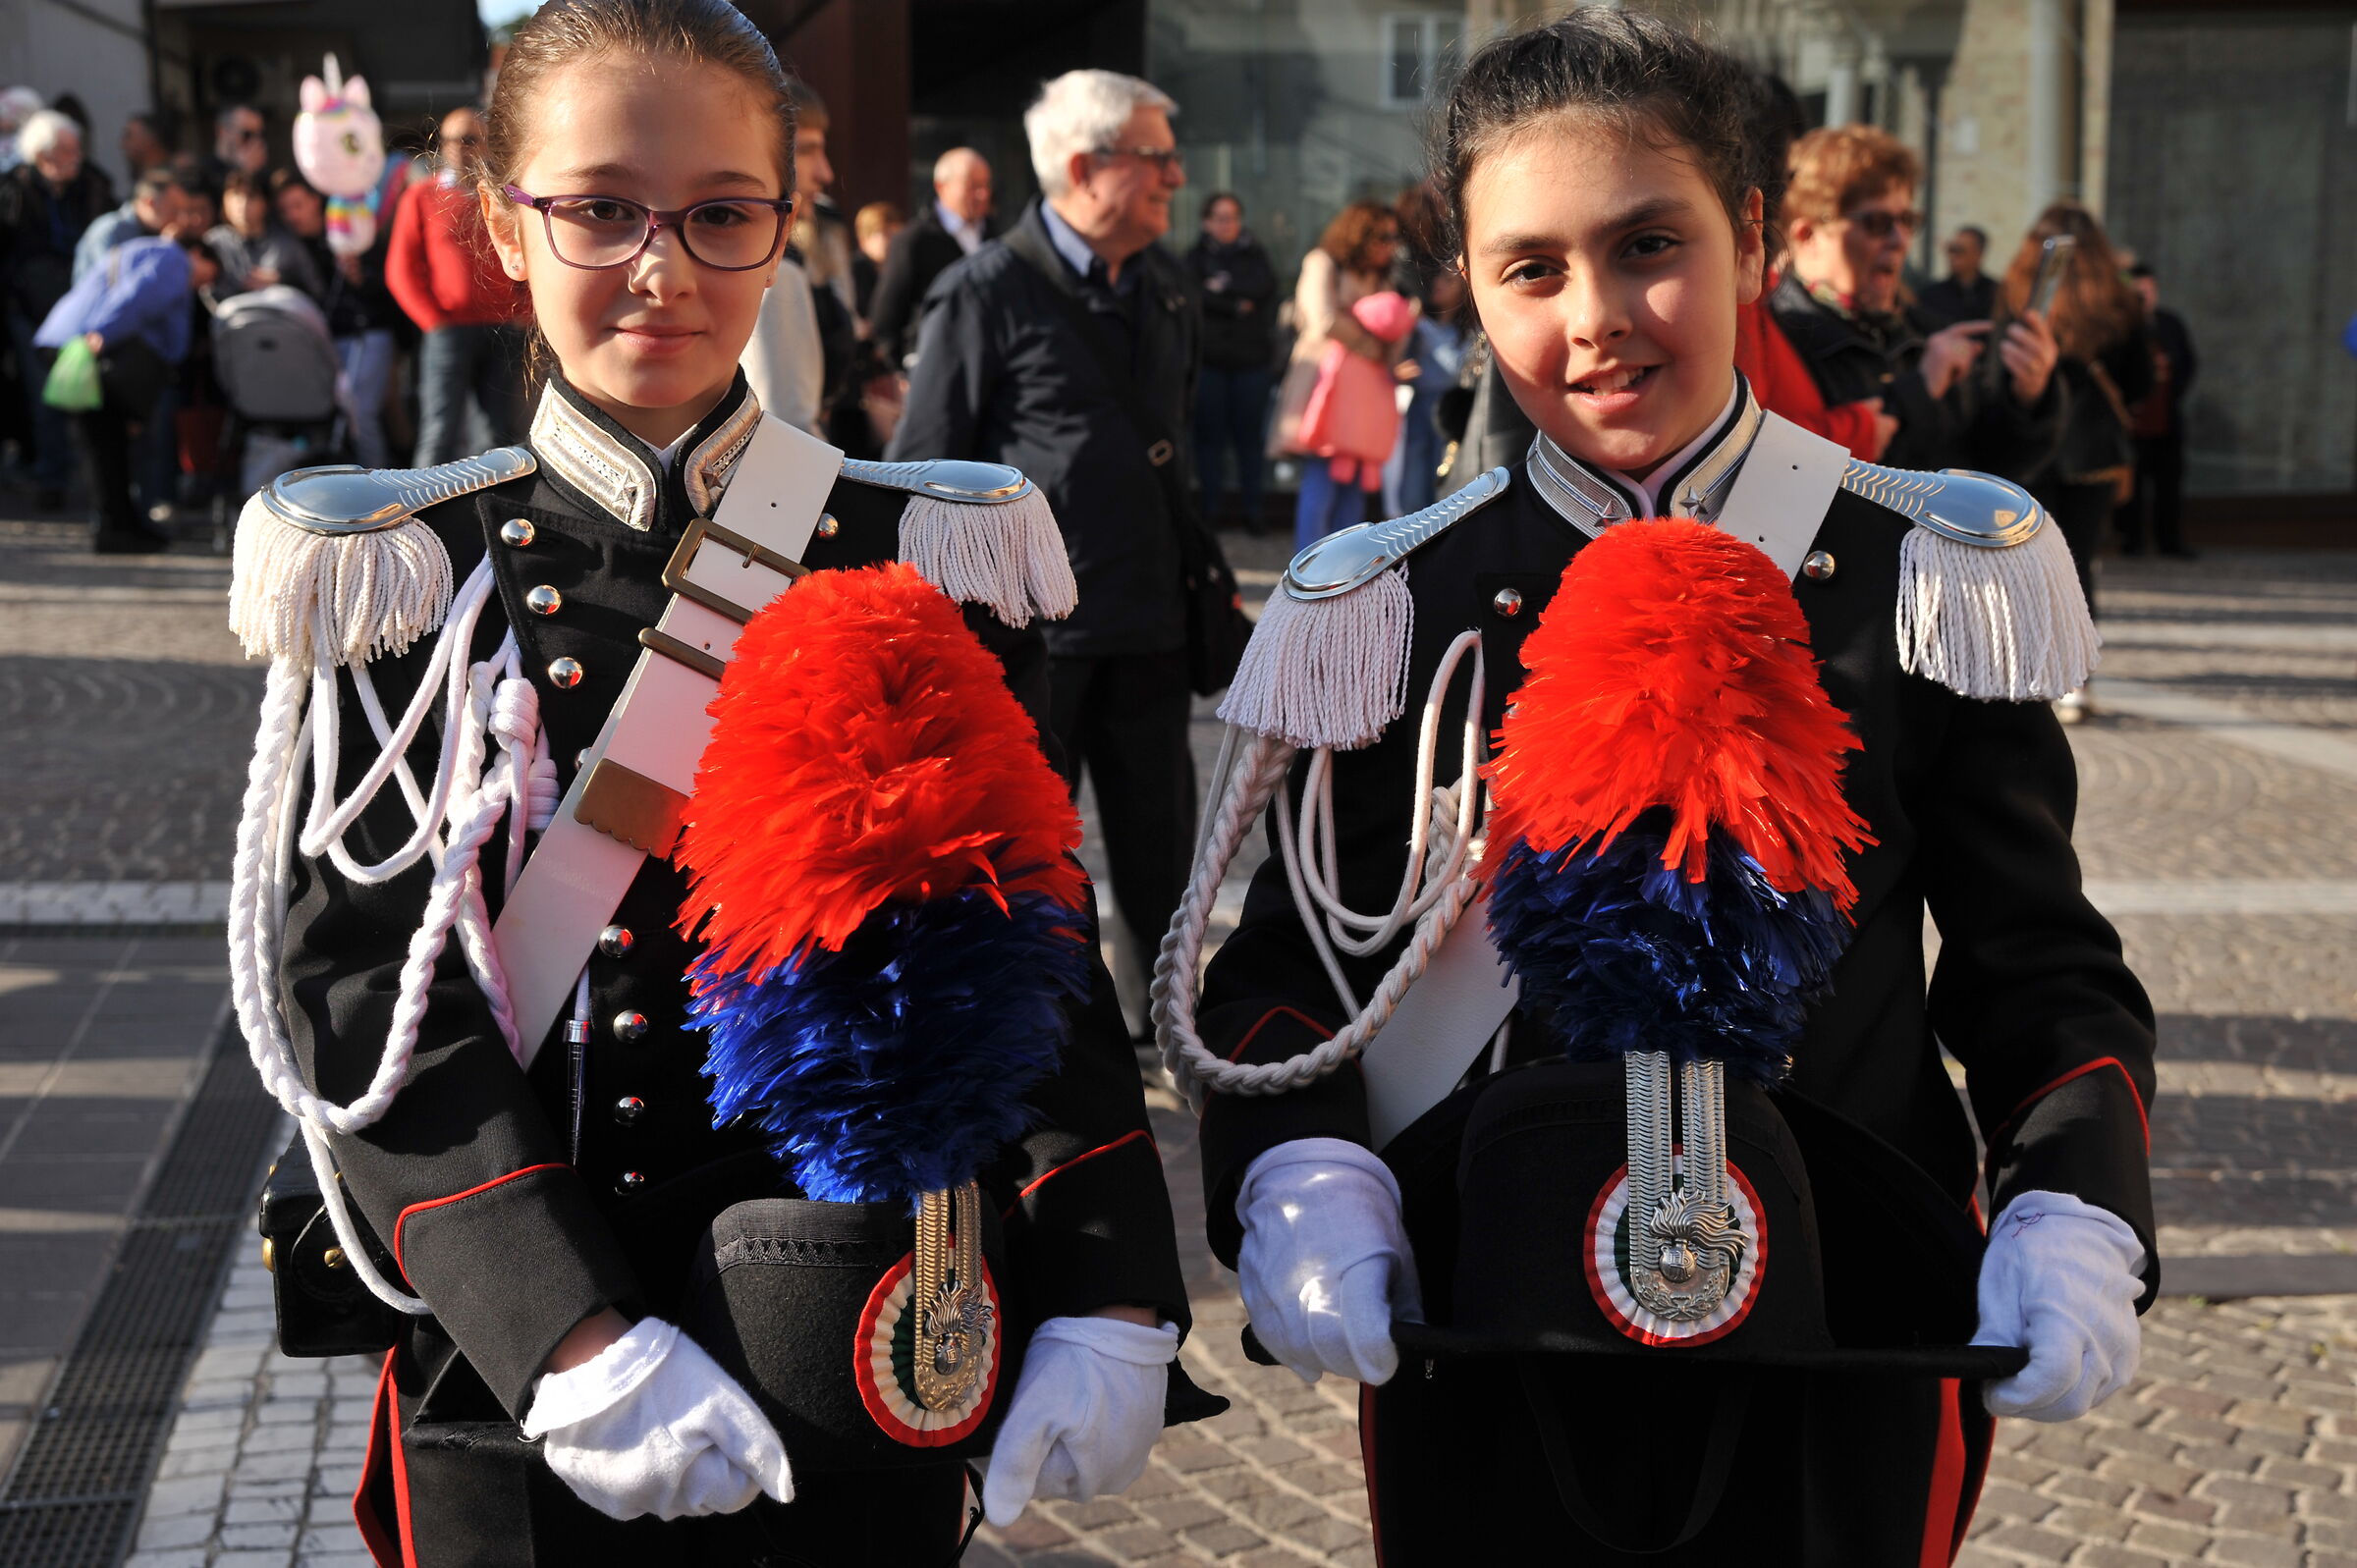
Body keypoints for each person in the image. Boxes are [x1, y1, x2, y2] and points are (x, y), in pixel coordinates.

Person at [1159, 12, 2154, 1563]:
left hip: (1853, 1309)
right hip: (1491, 1313)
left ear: (1751, 235)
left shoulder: (1913, 570)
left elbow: (2036, 959)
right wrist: (1301, 1172)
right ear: (1469, 287)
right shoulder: (1393, 601)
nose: (1601, 318)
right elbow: (1292, 968)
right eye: (1532, 269)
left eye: (1648, 247)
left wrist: (2072, 1197)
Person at [229, 1, 1197, 1559]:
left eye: (719, 215)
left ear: (783, 224)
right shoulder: (417, 572)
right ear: (503, 221)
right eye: (602, 209)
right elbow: (363, 997)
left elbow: (1021, 936)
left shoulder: (914, 543)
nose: (663, 267)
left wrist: (1107, 1273)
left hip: (864, 1318)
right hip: (540, 1375)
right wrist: (569, 1332)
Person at [892, 69, 1200, 1033]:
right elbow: (923, 477)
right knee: (1017, 859)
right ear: (1084, 165)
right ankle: (1015, 1040)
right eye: (1156, 157)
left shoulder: (1166, 290)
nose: (1176, 179)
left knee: (1166, 855)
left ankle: (1170, 1028)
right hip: (1035, 642)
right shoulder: (981, 294)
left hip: (1149, 621)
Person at [1772, 126, 2062, 481]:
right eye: (1877, 222)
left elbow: (1992, 468)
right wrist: (1922, 388)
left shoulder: (1927, 332)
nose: (1900, 239)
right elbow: (1797, 479)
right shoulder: (1776, 336)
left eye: (1907, 220)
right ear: (1808, 236)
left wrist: (2029, 394)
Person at [1999, 201, 2154, 716]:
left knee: (2027, 563)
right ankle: (2076, 678)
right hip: (2093, 449)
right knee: (2079, 563)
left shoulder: (2020, 295)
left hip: (2034, 446)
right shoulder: (2121, 302)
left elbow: (1998, 370)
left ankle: (2028, 668)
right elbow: (2142, 383)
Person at [35, 224, 215, 551]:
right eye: (209, 273)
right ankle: (114, 527)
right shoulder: (174, 258)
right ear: (198, 254)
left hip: (67, 338)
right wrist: (103, 334)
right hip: (89, 346)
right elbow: (138, 296)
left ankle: (121, 523)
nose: (205, 283)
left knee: (107, 441)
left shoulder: (147, 249)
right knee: (105, 443)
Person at [385, 106, 527, 464]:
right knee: (439, 432)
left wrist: (522, 313)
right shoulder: (421, 195)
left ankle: (491, 516)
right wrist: (433, 320)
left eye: (468, 140)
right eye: (448, 140)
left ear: (485, 145)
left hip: (502, 330)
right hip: (449, 329)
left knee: (497, 436)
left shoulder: (507, 197)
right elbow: (400, 268)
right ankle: (425, 517)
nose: (457, 148)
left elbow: (530, 255)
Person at [1275, 201, 1409, 544]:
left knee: (1356, 483)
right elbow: (1322, 318)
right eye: (1383, 237)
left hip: (1368, 393)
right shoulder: (1323, 262)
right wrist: (1371, 345)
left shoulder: (1385, 274)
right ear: (1360, 234)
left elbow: (1393, 323)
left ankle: (1342, 575)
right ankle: (1308, 569)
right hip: (1325, 385)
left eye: (1395, 238)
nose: (1390, 245)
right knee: (1322, 475)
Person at [1, 108, 113, 506]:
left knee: (86, 389)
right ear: (41, 154)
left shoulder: (94, 184)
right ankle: (52, 479)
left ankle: (95, 482)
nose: (74, 157)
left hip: (84, 310)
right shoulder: (12, 190)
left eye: (76, 148)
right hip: (29, 310)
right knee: (43, 395)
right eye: (65, 150)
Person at [275, 167, 403, 468]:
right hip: (323, 342)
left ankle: (377, 480)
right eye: (285, 210)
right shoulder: (292, 249)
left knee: (361, 412)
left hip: (365, 334)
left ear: (315, 202)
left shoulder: (351, 229)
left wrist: (360, 278)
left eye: (297, 206)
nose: (292, 215)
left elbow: (386, 286)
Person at [1186, 189, 1276, 531]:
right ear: (1207, 222)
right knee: (1209, 442)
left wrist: (1220, 294)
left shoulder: (1255, 255)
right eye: (1221, 218)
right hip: (1209, 364)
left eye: (1233, 217)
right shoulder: (1194, 258)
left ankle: (1254, 512)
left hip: (1251, 364)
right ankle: (1211, 512)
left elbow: (1262, 290)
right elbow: (1195, 298)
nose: (1228, 225)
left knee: (1249, 442)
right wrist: (1234, 304)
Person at [868, 147, 994, 370]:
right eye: (972, 186)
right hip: (934, 368)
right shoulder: (913, 241)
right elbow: (886, 316)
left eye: (985, 185)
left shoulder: (995, 238)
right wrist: (901, 372)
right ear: (941, 187)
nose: (982, 194)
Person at [2120, 260, 2198, 560]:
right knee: (2133, 485)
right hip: (2133, 421)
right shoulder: (2123, 327)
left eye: (2148, 292)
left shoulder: (2169, 323)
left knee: (2169, 483)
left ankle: (2170, 540)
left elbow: (2188, 364)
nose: (2144, 299)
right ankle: (2132, 541)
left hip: (2166, 418)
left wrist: (2173, 390)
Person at [208, 169, 322, 299]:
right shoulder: (213, 243)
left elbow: (316, 291)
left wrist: (282, 282)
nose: (242, 204)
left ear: (265, 203)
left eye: (251, 196)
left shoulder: (287, 244)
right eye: (236, 195)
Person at [1918, 225, 1997, 327]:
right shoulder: (1931, 295)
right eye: (1951, 249)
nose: (1952, 256)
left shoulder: (1995, 294)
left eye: (1959, 250)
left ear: (1978, 254)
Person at [850, 198, 901, 319]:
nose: (893, 241)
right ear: (864, 238)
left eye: (897, 234)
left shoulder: (895, 269)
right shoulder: (856, 270)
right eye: (887, 234)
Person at [212, 104, 268, 182]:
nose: (256, 142)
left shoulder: (265, 178)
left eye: (261, 135)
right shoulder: (204, 173)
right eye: (247, 134)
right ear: (222, 131)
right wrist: (243, 171)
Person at [121, 110, 173, 182]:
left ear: (150, 139)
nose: (123, 145)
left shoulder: (173, 180)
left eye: (129, 136)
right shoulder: (145, 180)